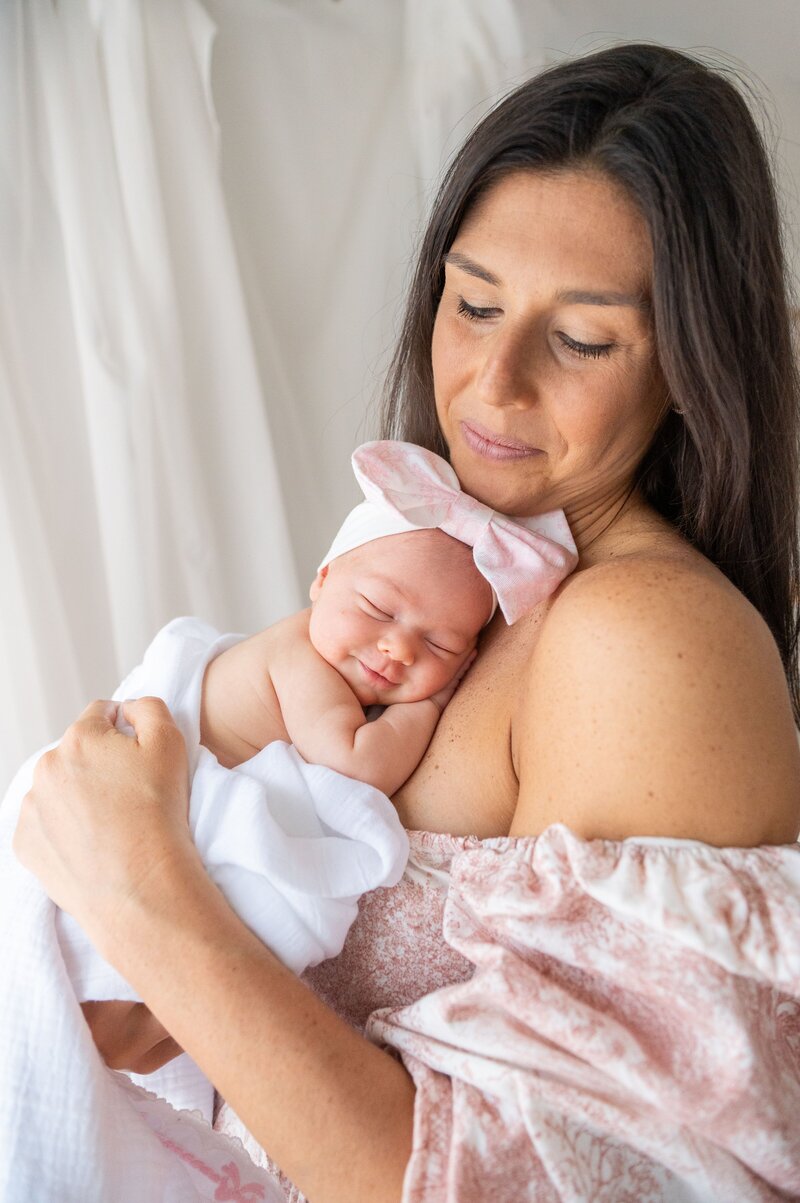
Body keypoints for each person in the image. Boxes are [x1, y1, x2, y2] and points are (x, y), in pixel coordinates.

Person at [13, 41, 800, 1203]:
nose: (490, 385)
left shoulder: (639, 641)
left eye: (579, 339)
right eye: (472, 303)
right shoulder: (461, 586)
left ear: (689, 363)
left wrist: (147, 888)